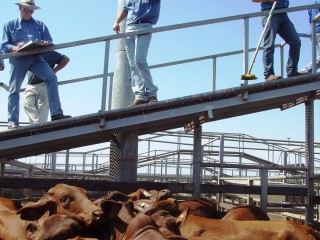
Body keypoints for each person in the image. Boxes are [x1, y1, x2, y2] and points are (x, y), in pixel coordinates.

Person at [1, 0, 70, 129]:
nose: (28, 12)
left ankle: (56, 114)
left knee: (51, 77)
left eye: (31, 10)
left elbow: (49, 41)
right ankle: (13, 122)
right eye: (26, 9)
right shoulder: (9, 25)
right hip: (18, 59)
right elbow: (4, 46)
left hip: (36, 58)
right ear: (20, 8)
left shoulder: (40, 25)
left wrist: (45, 43)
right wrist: (15, 48)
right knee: (14, 89)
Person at [113, 0, 161, 105]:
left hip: (145, 26)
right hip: (130, 28)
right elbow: (126, 8)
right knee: (133, 64)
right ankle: (140, 95)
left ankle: (152, 93)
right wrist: (117, 21)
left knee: (139, 60)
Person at [254, 0, 303, 81]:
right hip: (270, 12)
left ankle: (292, 71)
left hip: (283, 14)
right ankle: (269, 74)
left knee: (295, 41)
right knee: (269, 44)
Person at [23, 51, 70, 124]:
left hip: (44, 84)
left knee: (43, 109)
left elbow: (66, 59)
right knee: (27, 105)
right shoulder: (30, 53)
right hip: (30, 85)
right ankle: (38, 126)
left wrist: (54, 71)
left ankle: (39, 128)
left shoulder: (49, 52)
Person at [300, 0, 320, 74]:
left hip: (313, 32)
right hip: (318, 31)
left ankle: (306, 71)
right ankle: (306, 69)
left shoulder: (313, 5)